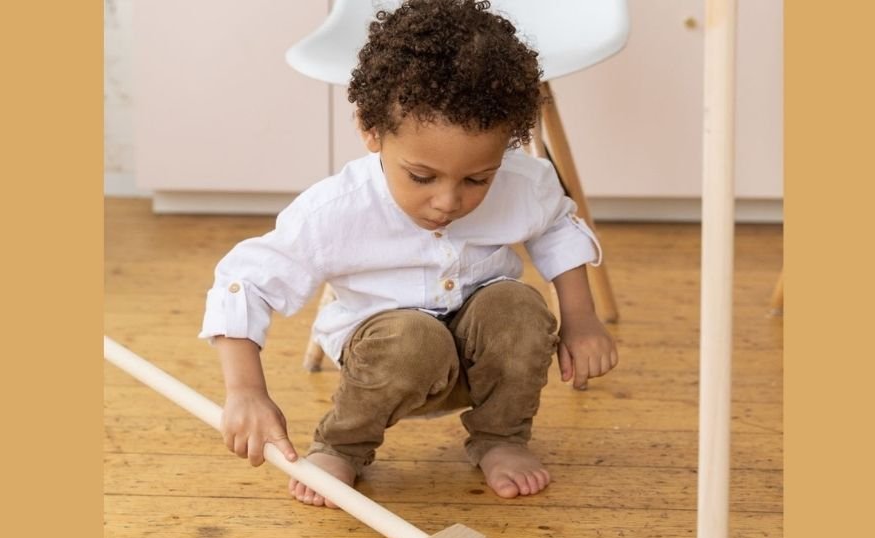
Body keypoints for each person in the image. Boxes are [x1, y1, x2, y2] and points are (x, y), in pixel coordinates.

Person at [200, 0, 617, 508]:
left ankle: (501, 437)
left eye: (476, 179)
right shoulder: (335, 210)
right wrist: (245, 390)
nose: (448, 201)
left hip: (484, 357)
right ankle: (343, 445)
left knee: (519, 308)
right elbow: (246, 282)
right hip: (388, 359)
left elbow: (556, 228)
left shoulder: (524, 184)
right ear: (371, 131)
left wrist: (580, 317)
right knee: (414, 339)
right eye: (422, 177)